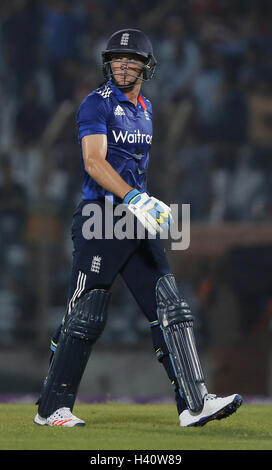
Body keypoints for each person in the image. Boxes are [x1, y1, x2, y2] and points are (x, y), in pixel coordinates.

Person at [34, 29, 242, 428]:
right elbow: (93, 162)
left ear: (148, 67)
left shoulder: (146, 108)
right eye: (116, 59)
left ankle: (194, 403)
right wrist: (134, 197)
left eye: (132, 60)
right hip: (101, 218)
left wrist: (143, 201)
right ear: (107, 63)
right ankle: (51, 408)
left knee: (170, 308)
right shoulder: (95, 104)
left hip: (135, 219)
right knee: (84, 314)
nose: (123, 66)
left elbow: (130, 166)